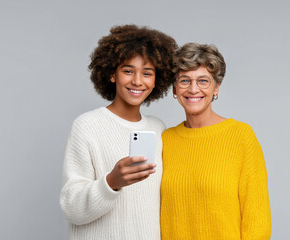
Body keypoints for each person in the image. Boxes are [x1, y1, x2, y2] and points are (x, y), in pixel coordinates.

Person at [60, 25, 177, 240]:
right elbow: (71, 207)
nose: (137, 81)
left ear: (156, 80)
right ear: (112, 74)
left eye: (147, 73)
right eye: (128, 70)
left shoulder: (158, 129)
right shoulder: (87, 125)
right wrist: (111, 183)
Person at [160, 43, 272, 239]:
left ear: (216, 87)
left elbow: (257, 220)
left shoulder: (240, 135)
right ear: (175, 89)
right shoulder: (164, 140)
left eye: (203, 81)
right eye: (184, 80)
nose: (193, 89)